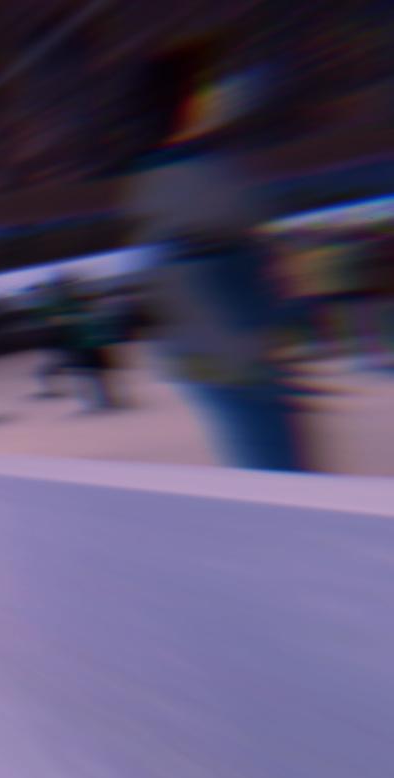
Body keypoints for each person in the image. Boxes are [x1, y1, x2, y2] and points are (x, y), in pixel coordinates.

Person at [119, 39, 313, 470]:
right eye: (208, 88)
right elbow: (214, 258)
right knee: (276, 467)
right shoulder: (188, 176)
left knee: (269, 458)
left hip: (217, 344)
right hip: (228, 344)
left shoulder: (168, 175)